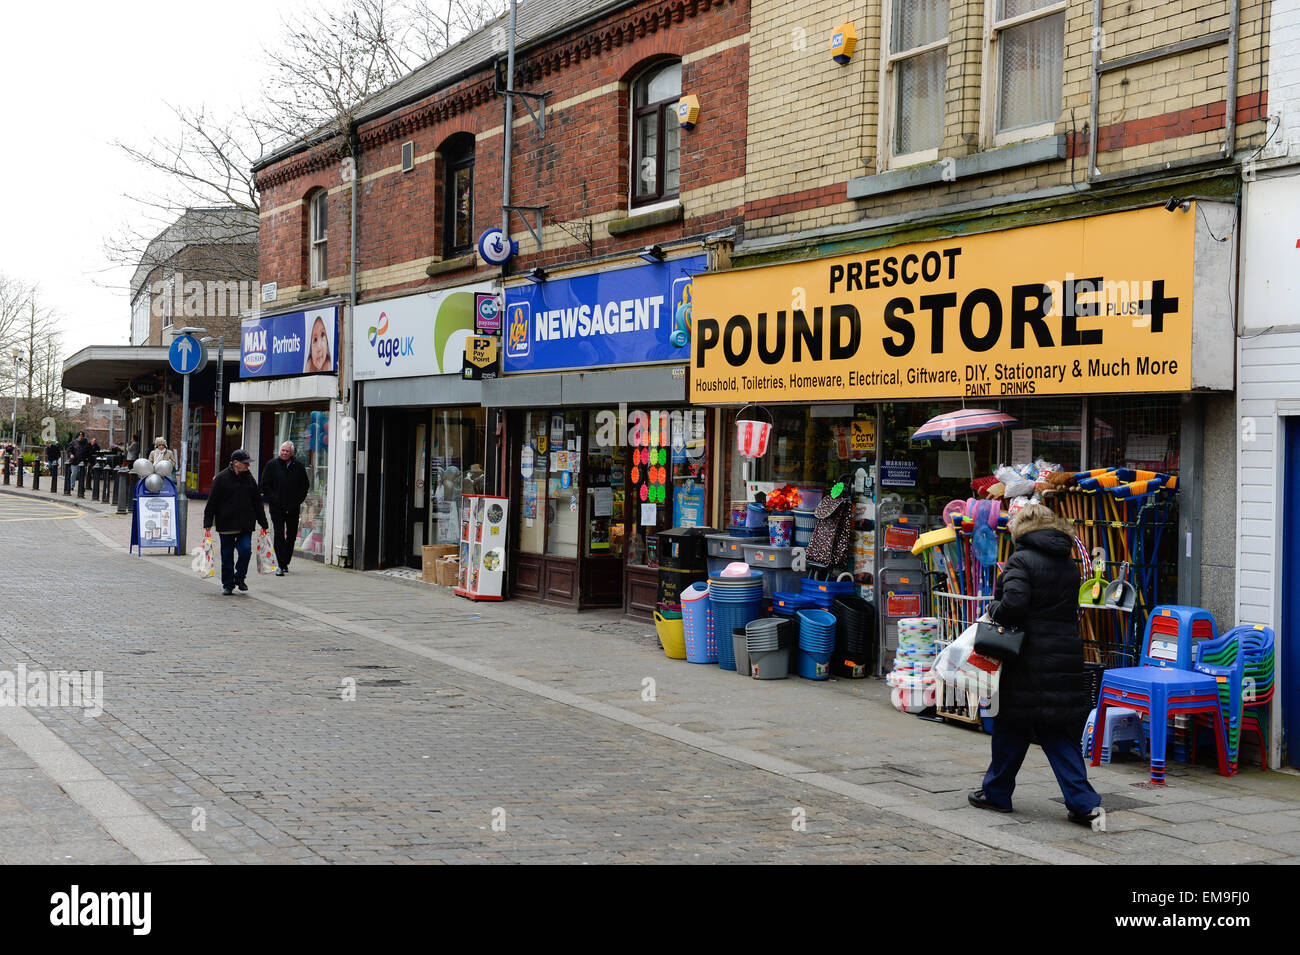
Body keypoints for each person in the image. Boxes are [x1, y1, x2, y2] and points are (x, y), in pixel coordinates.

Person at [968, 502, 1102, 827]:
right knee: (1053, 731)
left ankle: (998, 793)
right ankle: (1083, 804)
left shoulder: (1021, 560)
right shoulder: (1070, 564)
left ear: (1021, 529)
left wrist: (993, 608)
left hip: (1028, 659)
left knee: (1012, 726)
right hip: (1064, 655)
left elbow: (1014, 606)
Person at [203, 449, 269, 595]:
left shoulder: (249, 478)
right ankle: (228, 584)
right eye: (245, 463)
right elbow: (212, 502)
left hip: (245, 523)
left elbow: (257, 502)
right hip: (226, 523)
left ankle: (239, 578)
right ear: (235, 463)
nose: (248, 466)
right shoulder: (221, 478)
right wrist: (207, 523)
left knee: (245, 551)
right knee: (227, 555)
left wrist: (263, 522)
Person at [260, 441, 310, 575]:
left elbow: (304, 486)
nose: (284, 453)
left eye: (287, 451)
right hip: (277, 507)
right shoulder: (272, 465)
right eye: (282, 450)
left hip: (293, 507)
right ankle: (280, 565)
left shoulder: (298, 466)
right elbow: (265, 485)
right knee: (279, 533)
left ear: (292, 453)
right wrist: (273, 498)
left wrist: (298, 500)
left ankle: (286, 561)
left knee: (292, 535)